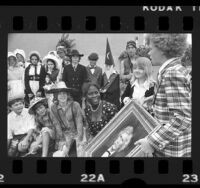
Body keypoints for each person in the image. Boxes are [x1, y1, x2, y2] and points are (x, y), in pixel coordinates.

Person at [135, 34, 191, 157]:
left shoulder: (172, 73)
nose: (149, 52)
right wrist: (155, 101)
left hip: (172, 150)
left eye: (151, 48)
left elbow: (182, 117)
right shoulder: (177, 69)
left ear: (162, 48)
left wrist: (152, 142)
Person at [47, 81, 84, 157]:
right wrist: (62, 139)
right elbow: (56, 124)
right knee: (61, 153)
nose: (62, 96)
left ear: (68, 94)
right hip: (66, 133)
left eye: (64, 93)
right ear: (56, 95)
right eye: (60, 94)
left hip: (77, 131)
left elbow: (79, 122)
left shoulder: (75, 105)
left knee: (81, 151)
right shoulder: (53, 107)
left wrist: (79, 137)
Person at [8, 89, 35, 157]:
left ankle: (24, 152)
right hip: (16, 137)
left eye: (20, 104)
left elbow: (31, 127)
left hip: (28, 134)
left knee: (21, 147)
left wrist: (26, 139)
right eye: (16, 105)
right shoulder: (9, 117)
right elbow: (9, 135)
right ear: (11, 108)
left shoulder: (28, 112)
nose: (19, 106)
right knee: (10, 152)